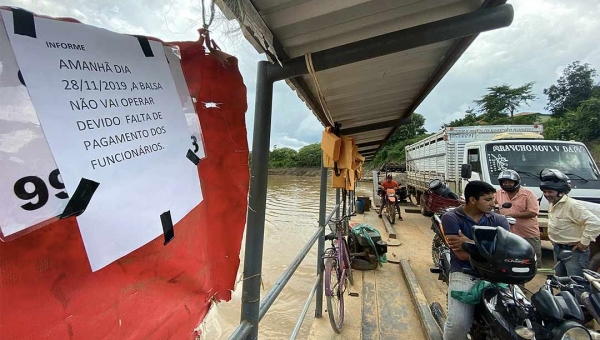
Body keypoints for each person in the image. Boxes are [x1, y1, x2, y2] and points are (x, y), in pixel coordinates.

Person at [441, 181, 510, 340]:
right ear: (472, 200)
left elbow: (504, 250)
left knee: (517, 316)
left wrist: (470, 243)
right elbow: (462, 255)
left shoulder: (499, 220)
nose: (493, 203)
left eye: (493, 199)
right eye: (487, 199)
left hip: (495, 273)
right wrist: (490, 247)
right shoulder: (451, 217)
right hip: (465, 271)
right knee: (458, 325)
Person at [540, 169, 600, 277]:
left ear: (561, 192)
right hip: (558, 248)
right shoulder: (553, 203)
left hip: (573, 251)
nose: (546, 195)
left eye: (550, 192)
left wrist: (583, 242)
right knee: (561, 280)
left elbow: (595, 223)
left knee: (576, 284)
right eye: (544, 192)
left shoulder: (572, 205)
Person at [495, 169, 542, 267]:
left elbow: (533, 212)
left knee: (532, 262)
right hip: (508, 234)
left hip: (528, 234)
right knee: (510, 261)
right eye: (504, 182)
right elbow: (490, 203)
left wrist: (511, 215)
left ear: (516, 182)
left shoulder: (528, 194)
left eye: (510, 182)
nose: (507, 184)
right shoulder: (499, 193)